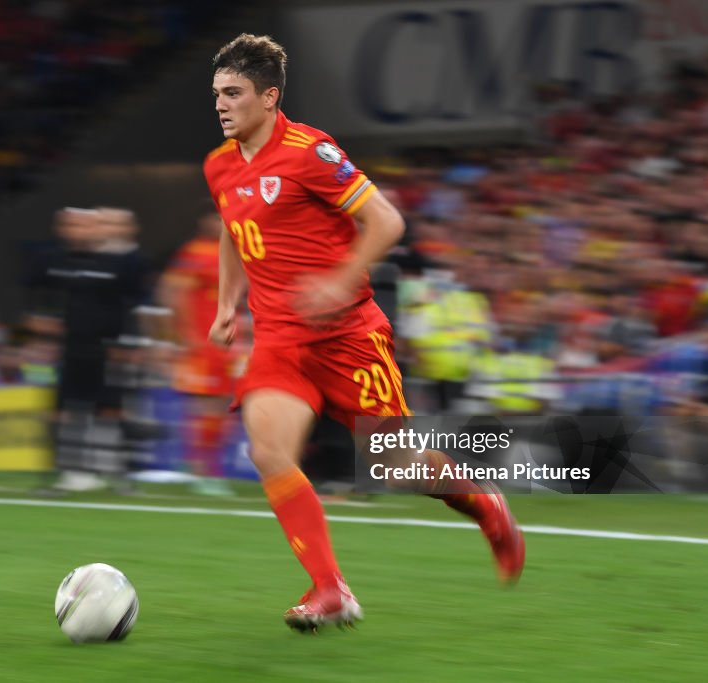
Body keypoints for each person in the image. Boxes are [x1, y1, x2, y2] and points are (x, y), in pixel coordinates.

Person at [203, 34, 525, 632]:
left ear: (269, 97)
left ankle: (485, 504)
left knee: (395, 463)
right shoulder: (219, 164)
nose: (221, 105)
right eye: (217, 93)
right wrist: (229, 302)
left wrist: (338, 280)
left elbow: (386, 220)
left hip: (347, 334)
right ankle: (330, 589)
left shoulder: (310, 151)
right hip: (279, 339)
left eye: (234, 93)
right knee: (268, 449)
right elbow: (231, 224)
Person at [25, 208, 145, 492]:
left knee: (110, 410)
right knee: (64, 410)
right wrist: (36, 328)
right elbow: (35, 296)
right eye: (72, 225)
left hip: (107, 347)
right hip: (69, 348)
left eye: (86, 225)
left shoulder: (116, 264)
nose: (79, 231)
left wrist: (127, 342)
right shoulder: (53, 261)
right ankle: (68, 471)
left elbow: (129, 304)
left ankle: (117, 472)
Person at [161, 202, 237, 495]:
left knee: (222, 407)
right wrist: (183, 336)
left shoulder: (238, 250)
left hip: (228, 343)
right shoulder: (195, 252)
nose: (221, 222)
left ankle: (203, 466)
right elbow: (172, 293)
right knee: (205, 406)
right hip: (203, 345)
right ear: (205, 220)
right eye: (217, 217)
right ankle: (201, 470)